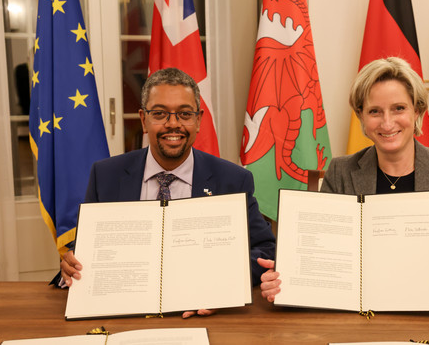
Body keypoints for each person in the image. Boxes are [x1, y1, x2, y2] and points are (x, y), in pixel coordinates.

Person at [258, 57, 429, 315]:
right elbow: (323, 258)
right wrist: (286, 280)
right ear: (361, 116)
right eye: (374, 111)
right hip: (359, 316)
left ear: (417, 111)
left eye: (399, 108)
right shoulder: (341, 171)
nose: (387, 123)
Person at [61, 67, 276, 318]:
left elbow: (264, 250)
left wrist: (223, 285)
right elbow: (86, 251)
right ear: (143, 119)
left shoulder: (233, 180)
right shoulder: (106, 175)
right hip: (125, 314)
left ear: (198, 120)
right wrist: (70, 264)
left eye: (184, 114)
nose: (173, 124)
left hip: (202, 316)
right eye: (160, 114)